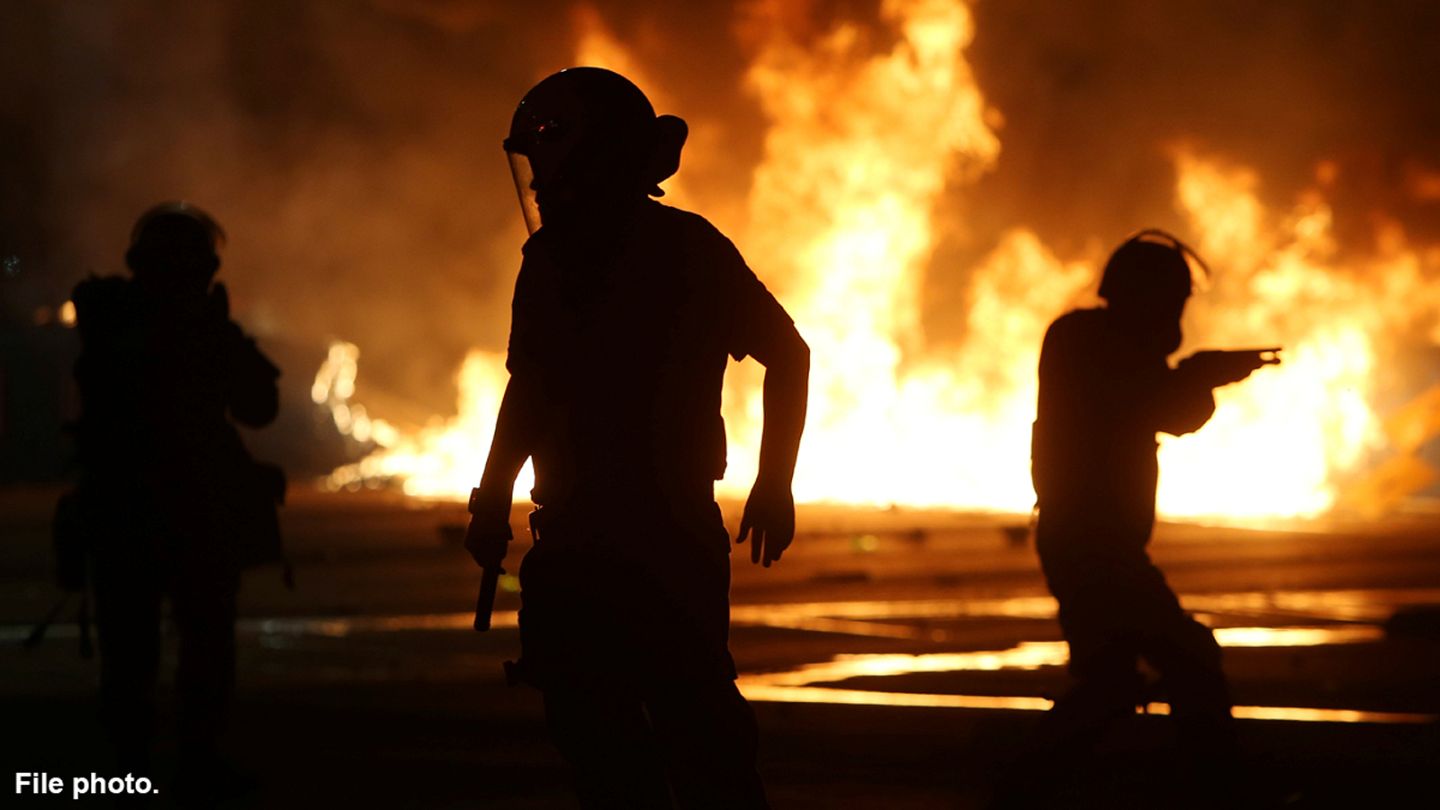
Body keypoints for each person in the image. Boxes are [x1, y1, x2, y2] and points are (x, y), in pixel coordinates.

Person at [464, 67, 808, 809]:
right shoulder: (555, 262)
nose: (539, 185)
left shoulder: (679, 251)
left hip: (650, 533)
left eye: (550, 161)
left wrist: (776, 481)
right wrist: (492, 498)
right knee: (616, 738)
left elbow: (789, 352)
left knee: (689, 736)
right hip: (598, 535)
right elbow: (530, 390)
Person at [1027, 231, 1277, 784]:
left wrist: (1199, 374)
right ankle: (1216, 788)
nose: (1175, 314)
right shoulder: (1095, 342)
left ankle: (1032, 781)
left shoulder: (1085, 338)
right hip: (1095, 545)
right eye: (1173, 300)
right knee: (1191, 657)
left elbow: (1158, 402)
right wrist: (1203, 374)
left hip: (1083, 539)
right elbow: (1164, 407)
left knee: (1110, 682)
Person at [67, 202, 281, 800]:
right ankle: (192, 767)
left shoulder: (111, 322)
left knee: (130, 653)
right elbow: (259, 408)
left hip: (126, 513)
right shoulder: (192, 328)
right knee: (202, 645)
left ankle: (126, 773)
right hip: (187, 512)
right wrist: (219, 334)